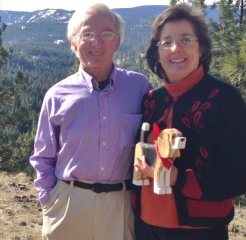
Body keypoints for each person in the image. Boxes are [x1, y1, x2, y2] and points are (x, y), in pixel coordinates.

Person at [29, 3, 151, 240]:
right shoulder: (57, 95)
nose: (97, 42)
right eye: (87, 34)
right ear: (73, 42)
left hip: (120, 204)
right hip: (68, 204)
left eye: (106, 34)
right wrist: (49, 200)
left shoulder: (139, 87)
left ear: (117, 41)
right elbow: (43, 156)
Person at [133, 4, 246, 240]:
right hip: (145, 227)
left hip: (200, 232)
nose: (175, 49)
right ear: (157, 52)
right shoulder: (152, 101)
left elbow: (239, 175)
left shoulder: (224, 99)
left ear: (201, 48)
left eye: (185, 40)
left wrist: (177, 178)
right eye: (166, 42)